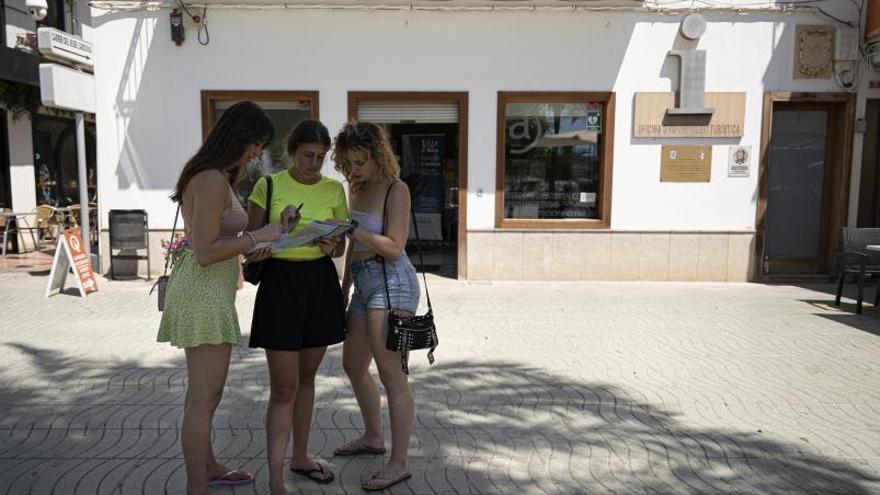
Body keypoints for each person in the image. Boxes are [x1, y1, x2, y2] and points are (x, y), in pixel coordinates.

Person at [157, 101, 294, 495]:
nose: (257, 153)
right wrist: (257, 237)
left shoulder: (216, 176)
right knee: (204, 397)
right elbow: (203, 252)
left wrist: (263, 238)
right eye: (256, 144)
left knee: (203, 395)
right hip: (201, 294)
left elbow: (221, 242)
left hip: (209, 292)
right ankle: (197, 486)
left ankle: (210, 465)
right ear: (240, 137)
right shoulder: (212, 178)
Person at [246, 119, 348, 495]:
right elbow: (250, 242)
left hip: (319, 283)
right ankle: (274, 476)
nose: (314, 163)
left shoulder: (335, 189)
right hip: (280, 286)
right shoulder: (267, 185)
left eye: (321, 158)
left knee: (307, 381)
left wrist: (332, 246)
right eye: (308, 156)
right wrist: (277, 232)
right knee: (284, 387)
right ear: (291, 153)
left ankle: (300, 457)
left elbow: (339, 244)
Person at [333, 121, 420, 491]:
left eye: (360, 161)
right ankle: (373, 436)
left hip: (394, 282)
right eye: (348, 163)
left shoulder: (395, 189)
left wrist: (355, 230)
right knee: (353, 365)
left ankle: (398, 462)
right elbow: (354, 248)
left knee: (391, 376)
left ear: (378, 155)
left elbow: (395, 245)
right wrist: (344, 286)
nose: (354, 170)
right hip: (365, 283)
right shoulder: (357, 188)